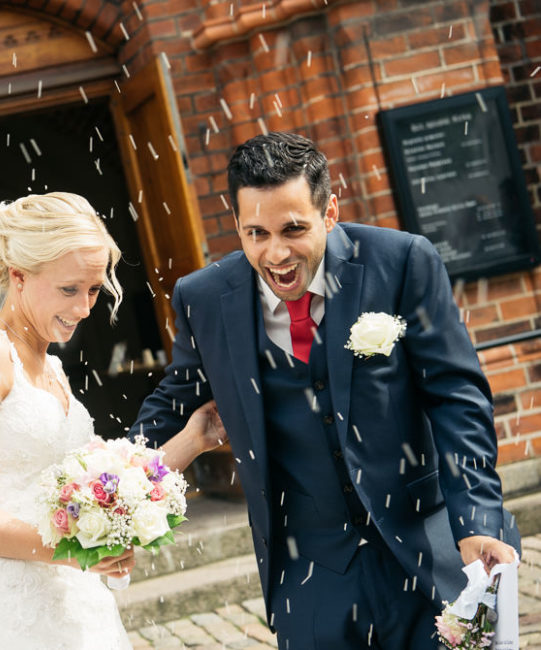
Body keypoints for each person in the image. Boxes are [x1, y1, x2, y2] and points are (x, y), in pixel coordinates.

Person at [131, 132, 520, 649]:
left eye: (293, 229)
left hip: (430, 547)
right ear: (237, 224)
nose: (276, 253)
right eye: (256, 233)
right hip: (310, 576)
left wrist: (476, 517)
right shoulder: (203, 298)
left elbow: (457, 397)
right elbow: (172, 403)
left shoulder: (400, 261)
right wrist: (109, 488)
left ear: (329, 211)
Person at [0, 192, 219, 649]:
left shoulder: (51, 366)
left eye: (93, 290)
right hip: (8, 605)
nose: (84, 308)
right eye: (69, 289)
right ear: (18, 276)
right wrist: (66, 549)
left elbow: (103, 486)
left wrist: (195, 438)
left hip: (73, 599)